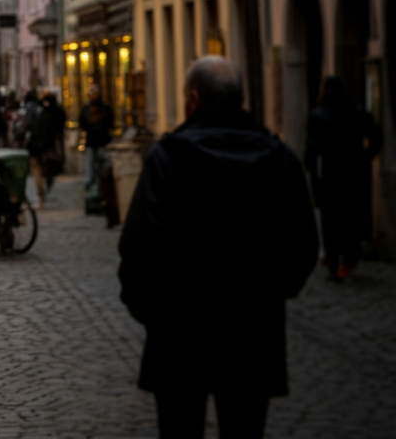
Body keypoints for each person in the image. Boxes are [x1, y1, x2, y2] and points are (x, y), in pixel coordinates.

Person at [118, 56, 318, 439]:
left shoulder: (168, 158)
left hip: (179, 331)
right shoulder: (278, 158)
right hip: (252, 330)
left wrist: (152, 314)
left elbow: (139, 247)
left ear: (193, 99)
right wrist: (271, 292)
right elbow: (303, 245)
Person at [304, 75, 383, 281]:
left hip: (330, 173)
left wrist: (313, 176)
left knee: (331, 219)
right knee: (351, 216)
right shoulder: (356, 112)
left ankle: (333, 262)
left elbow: (311, 152)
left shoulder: (317, 116)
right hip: (353, 172)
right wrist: (364, 159)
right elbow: (376, 138)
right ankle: (348, 258)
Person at [27, 91, 66, 207]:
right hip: (47, 144)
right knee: (45, 168)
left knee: (37, 170)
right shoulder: (48, 110)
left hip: (37, 144)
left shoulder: (36, 111)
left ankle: (41, 197)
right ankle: (43, 193)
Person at [80, 84, 116, 207]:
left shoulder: (104, 108)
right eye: (91, 94)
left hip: (102, 142)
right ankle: (91, 190)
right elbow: (82, 122)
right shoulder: (86, 108)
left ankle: (103, 189)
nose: (92, 96)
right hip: (91, 142)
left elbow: (110, 122)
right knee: (89, 167)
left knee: (103, 167)